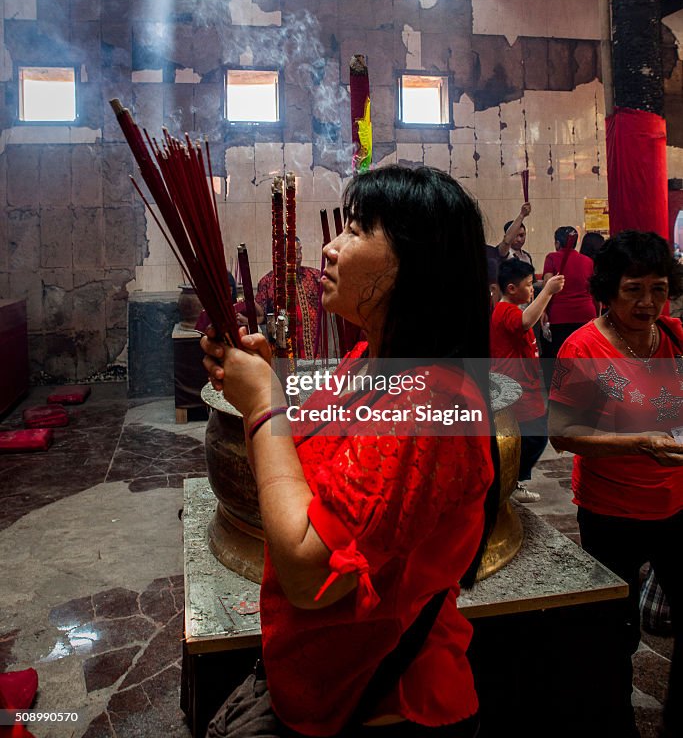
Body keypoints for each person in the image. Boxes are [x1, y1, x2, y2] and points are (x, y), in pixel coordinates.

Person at [201, 165, 497, 738]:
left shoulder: (430, 403)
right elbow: (309, 467)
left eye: (357, 230)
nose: (330, 249)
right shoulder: (367, 360)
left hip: (386, 699)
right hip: (329, 675)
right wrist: (265, 385)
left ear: (416, 262)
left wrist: (262, 401)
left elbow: (311, 576)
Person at [548, 230, 683, 738]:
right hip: (610, 511)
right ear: (608, 289)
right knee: (612, 634)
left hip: (675, 503)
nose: (648, 303)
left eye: (657, 288)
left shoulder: (672, 336)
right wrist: (635, 443)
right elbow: (562, 435)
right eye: (633, 290)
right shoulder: (582, 348)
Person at [491, 258, 564, 502]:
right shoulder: (506, 311)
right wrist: (548, 292)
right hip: (516, 386)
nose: (533, 288)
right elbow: (525, 322)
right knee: (535, 435)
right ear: (511, 289)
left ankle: (512, 481)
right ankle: (512, 481)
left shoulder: (510, 309)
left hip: (523, 385)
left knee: (529, 435)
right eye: (529, 284)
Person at [255, 237, 320, 359]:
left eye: (300, 251)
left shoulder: (314, 277)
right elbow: (261, 316)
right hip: (283, 356)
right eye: (294, 253)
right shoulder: (268, 282)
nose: (299, 256)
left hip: (312, 355)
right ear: (281, 255)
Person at [541, 226, 596, 360]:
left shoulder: (551, 258)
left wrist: (543, 311)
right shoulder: (588, 261)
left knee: (561, 358)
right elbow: (593, 290)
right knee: (584, 358)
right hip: (586, 314)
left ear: (557, 243)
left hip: (560, 316)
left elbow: (547, 286)